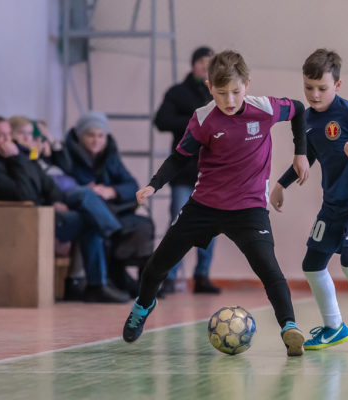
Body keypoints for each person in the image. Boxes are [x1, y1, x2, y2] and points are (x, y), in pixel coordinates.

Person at [122, 50, 310, 356]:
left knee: (270, 270)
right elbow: (179, 157)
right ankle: (143, 306)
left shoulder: (265, 108)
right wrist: (154, 185)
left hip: (249, 208)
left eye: (236, 91)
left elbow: (300, 110)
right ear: (210, 87)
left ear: (247, 84)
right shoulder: (203, 118)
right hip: (204, 206)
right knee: (157, 266)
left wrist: (300, 153)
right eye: (221, 93)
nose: (229, 100)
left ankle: (289, 327)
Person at [270, 49, 348, 350]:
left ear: (337, 85)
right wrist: (281, 185)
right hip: (333, 204)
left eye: (322, 88)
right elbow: (307, 158)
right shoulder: (307, 120)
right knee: (311, 265)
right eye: (308, 87)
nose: (314, 94)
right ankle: (334, 327)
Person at [0, 115, 129, 303]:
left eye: (8, 134)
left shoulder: (19, 157)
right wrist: (16, 159)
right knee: (89, 217)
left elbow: (48, 184)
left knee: (88, 212)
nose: (7, 140)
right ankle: (99, 278)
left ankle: (97, 284)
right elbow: (24, 195)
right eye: (1, 135)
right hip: (24, 221)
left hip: (44, 212)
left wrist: (54, 199)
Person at [63, 111, 155, 298]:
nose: (96, 140)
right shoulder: (65, 155)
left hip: (111, 210)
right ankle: (108, 274)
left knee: (144, 225)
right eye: (90, 135)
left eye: (100, 135)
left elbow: (132, 186)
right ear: (80, 135)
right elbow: (63, 185)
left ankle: (132, 279)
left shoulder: (110, 156)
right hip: (82, 210)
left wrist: (110, 191)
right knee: (93, 217)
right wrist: (88, 190)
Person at [154, 46, 219, 294]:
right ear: (193, 65)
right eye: (201, 62)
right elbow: (161, 120)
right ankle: (169, 277)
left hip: (210, 173)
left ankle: (202, 276)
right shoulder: (178, 93)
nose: (205, 66)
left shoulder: (218, 93)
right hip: (184, 171)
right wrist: (195, 121)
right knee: (178, 224)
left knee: (210, 226)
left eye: (210, 63)